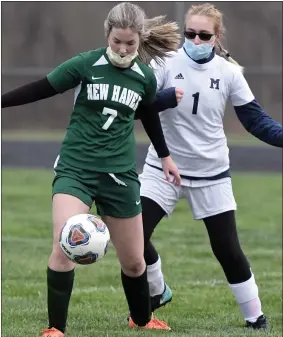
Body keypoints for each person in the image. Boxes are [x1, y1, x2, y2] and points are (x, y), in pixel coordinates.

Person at [1, 2, 184, 335]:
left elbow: (147, 115)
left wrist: (165, 156)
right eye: (117, 41)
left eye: (130, 43)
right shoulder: (85, 64)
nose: (123, 49)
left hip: (120, 175)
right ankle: (55, 329)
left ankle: (142, 320)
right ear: (108, 35)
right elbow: (41, 88)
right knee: (64, 246)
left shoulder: (144, 76)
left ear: (140, 40)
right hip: (77, 169)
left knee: (134, 261)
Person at [137, 2, 282, 331]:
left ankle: (255, 318)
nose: (196, 40)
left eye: (204, 35)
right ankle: (157, 291)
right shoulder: (164, 62)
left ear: (217, 38)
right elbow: (140, 108)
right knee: (134, 236)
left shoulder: (230, 72)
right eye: (190, 34)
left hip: (211, 172)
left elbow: (256, 122)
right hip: (163, 167)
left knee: (228, 249)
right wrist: (163, 99)